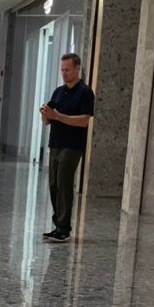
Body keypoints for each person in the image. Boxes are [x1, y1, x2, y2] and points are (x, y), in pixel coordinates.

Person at [39, 54, 95, 243]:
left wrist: (58, 116)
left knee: (64, 183)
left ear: (77, 68)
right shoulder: (58, 92)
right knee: (54, 184)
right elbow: (47, 121)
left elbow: (84, 120)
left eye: (68, 70)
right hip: (55, 143)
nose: (64, 73)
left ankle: (64, 229)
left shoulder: (85, 92)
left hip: (72, 145)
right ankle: (58, 226)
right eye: (62, 70)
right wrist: (45, 114)